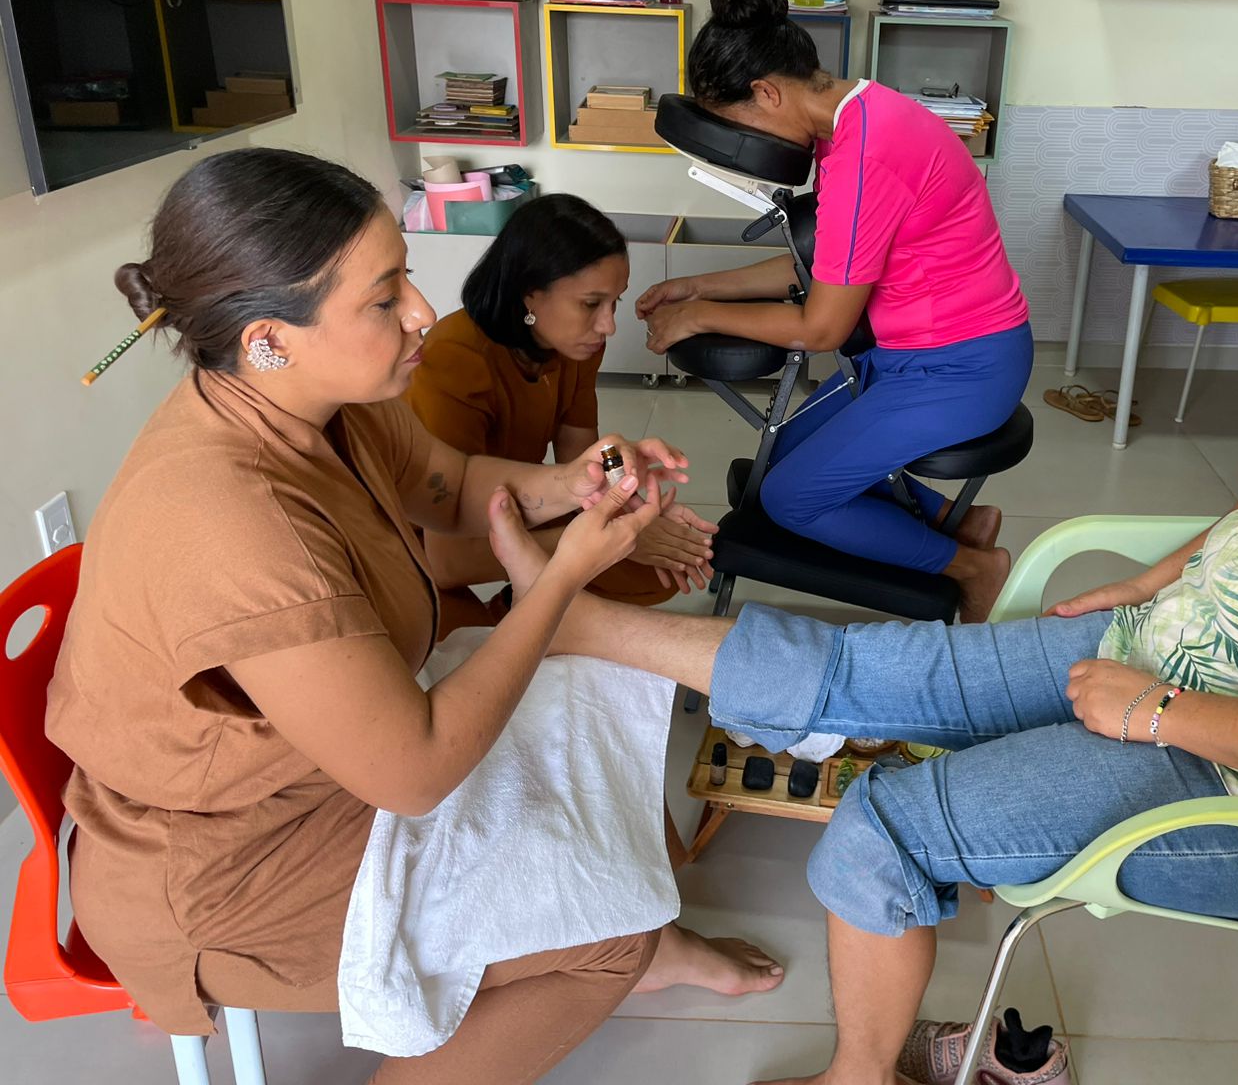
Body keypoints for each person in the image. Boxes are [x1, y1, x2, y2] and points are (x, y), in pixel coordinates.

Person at [499, 111, 1238, 1085]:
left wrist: (1159, 713)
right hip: (1169, 653)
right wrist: (1170, 573)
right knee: (863, 668)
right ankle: (574, 621)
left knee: (875, 829)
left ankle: (860, 1075)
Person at [45, 149, 781, 1085]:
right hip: (225, 867)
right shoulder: (235, 523)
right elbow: (417, 771)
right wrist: (560, 579)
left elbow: (453, 484)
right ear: (270, 336)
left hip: (315, 779)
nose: (424, 313)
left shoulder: (330, 403)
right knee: (609, 934)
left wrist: (575, 485)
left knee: (587, 715)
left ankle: (639, 926)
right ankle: (634, 946)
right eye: (386, 297)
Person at [635, 0, 1032, 622]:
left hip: (960, 368)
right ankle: (961, 522)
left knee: (791, 498)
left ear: (765, 92)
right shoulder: (862, 118)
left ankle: (971, 566)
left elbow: (820, 327)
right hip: (912, 356)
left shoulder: (866, 154)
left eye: (738, 124)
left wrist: (701, 315)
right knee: (784, 460)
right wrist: (698, 285)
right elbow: (825, 270)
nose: (746, 147)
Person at [406, 194, 719, 635]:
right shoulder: (453, 358)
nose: (609, 325)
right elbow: (447, 561)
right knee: (457, 649)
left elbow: (582, 459)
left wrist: (633, 507)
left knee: (656, 576)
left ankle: (526, 600)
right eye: (591, 304)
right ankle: (525, 608)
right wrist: (614, 542)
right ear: (529, 294)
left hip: (524, 501)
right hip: (427, 542)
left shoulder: (576, 344)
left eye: (614, 302)